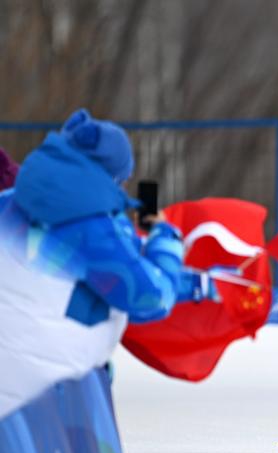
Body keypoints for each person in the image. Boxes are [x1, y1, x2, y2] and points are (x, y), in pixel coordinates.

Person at [0, 109, 215, 415]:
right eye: (123, 181)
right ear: (110, 178)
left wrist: (194, 283)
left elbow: (92, 272)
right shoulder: (91, 229)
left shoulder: (11, 202)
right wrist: (165, 241)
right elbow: (147, 297)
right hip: (48, 392)